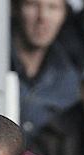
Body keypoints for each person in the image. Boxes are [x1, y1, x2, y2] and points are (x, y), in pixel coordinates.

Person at [11, 0, 80, 140]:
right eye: (32, 5)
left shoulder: (71, 81)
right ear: (15, 8)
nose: (42, 17)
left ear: (65, 14)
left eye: (53, 7)